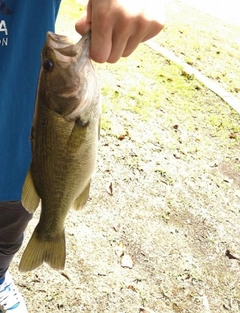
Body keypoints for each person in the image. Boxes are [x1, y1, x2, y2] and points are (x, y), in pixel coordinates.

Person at [0, 0, 164, 312]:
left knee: (8, 229)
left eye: (49, 66)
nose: (53, 53)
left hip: (17, 156)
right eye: (51, 65)